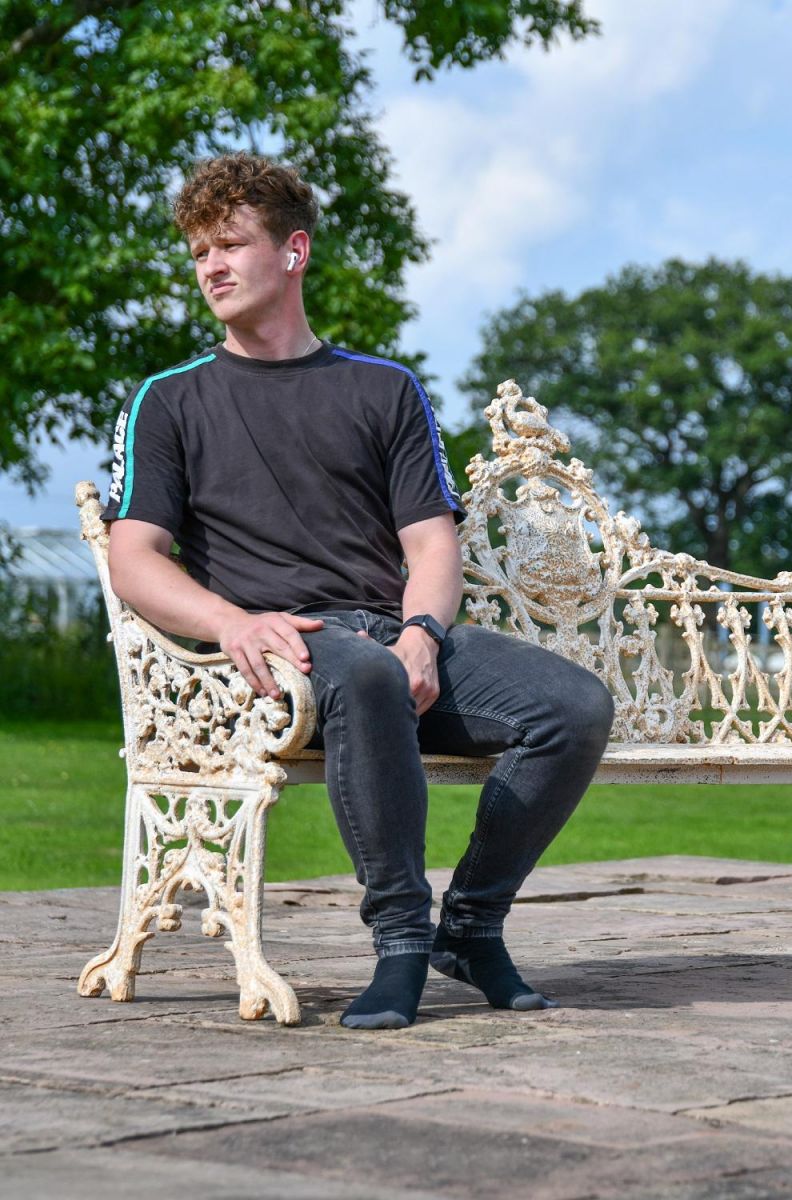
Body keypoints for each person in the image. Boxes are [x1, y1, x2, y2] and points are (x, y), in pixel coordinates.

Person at [102, 152, 615, 1030]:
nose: (211, 267)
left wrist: (422, 632)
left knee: (572, 705)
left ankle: (472, 924)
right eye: (197, 253)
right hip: (277, 651)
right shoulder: (170, 399)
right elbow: (135, 556)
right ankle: (402, 943)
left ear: (293, 251)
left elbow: (431, 541)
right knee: (369, 674)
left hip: (389, 633)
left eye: (231, 243)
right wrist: (232, 622)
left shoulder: (385, 389)